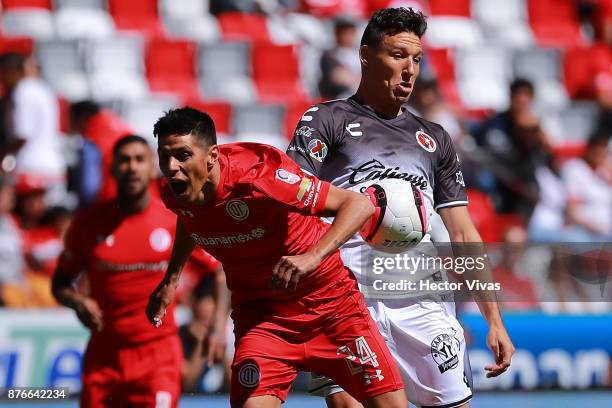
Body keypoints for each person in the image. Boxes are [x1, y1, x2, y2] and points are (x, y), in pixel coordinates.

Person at [287, 8, 514, 408]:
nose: (409, 69)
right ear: (365, 55)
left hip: (422, 300)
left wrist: (494, 318)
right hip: (345, 300)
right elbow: (292, 202)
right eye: (397, 55)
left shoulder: (434, 138)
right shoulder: (325, 121)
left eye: (416, 59)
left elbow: (463, 234)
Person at [146, 107, 407, 408]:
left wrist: (313, 256)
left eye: (182, 155)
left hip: (331, 309)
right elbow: (189, 218)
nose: (171, 167)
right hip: (263, 320)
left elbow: (359, 205)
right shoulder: (172, 191)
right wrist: (171, 279)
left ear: (212, 156)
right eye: (164, 156)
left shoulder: (261, 176)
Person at [52, 135, 218, 408]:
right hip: (104, 357)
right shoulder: (88, 225)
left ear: (153, 167)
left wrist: (214, 329)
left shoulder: (174, 220)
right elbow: (60, 284)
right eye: (125, 160)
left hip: (157, 358)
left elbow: (218, 270)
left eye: (139, 159)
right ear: (112, 169)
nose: (132, 167)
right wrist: (78, 301)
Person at [0, 53, 65, 202]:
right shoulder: (43, 88)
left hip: (30, 169)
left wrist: (4, 156)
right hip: (52, 167)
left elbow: (22, 135)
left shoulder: (23, 91)